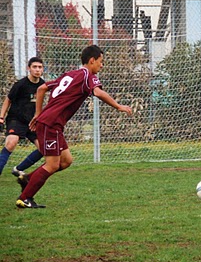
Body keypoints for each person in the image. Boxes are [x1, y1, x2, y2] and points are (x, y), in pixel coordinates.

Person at [16, 45, 132, 208]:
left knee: (66, 161)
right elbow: (98, 93)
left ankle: (28, 179)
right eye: (101, 61)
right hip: (51, 124)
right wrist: (119, 106)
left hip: (50, 123)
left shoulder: (70, 74)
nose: (102, 65)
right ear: (92, 60)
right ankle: (25, 197)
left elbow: (42, 88)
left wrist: (38, 113)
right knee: (52, 164)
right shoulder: (88, 76)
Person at [0, 57, 45, 177]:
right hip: (17, 119)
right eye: (34, 67)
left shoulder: (43, 85)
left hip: (32, 122)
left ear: (43, 69)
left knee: (43, 148)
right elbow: (8, 100)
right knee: (11, 143)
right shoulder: (20, 84)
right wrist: (1, 117)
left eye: (40, 67)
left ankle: (18, 169)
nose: (37, 70)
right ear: (28, 68)